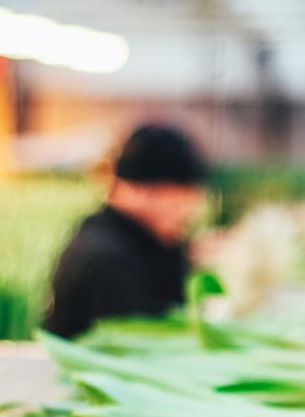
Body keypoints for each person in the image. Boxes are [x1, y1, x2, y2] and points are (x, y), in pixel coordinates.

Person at [44, 124, 208, 338]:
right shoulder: (108, 262)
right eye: (183, 194)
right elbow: (140, 350)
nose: (191, 209)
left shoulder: (138, 241)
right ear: (142, 190)